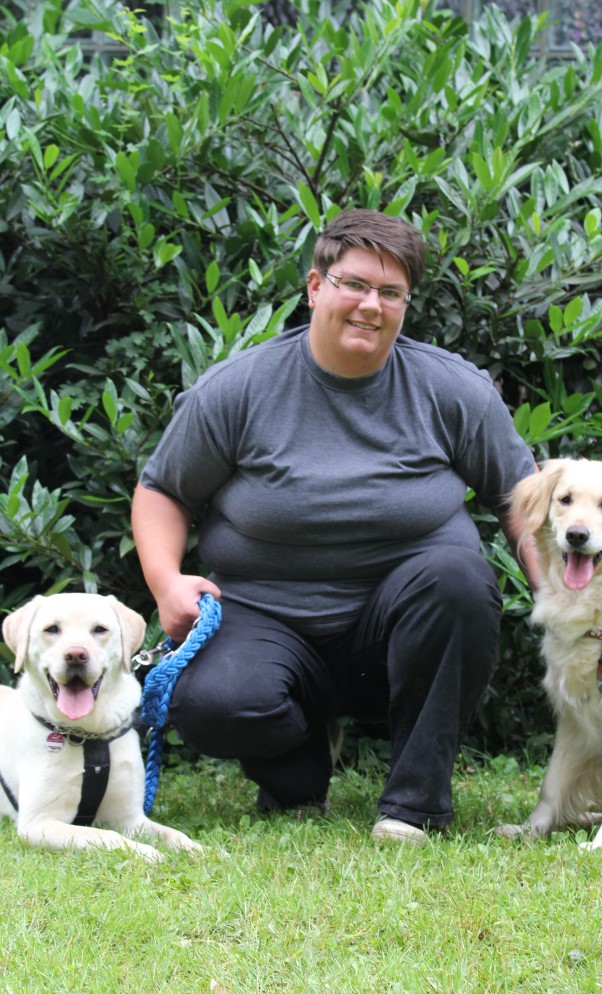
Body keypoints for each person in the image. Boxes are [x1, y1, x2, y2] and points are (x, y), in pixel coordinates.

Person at [131, 208, 538, 843]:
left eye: (391, 292)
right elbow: (163, 492)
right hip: (265, 616)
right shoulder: (238, 389)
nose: (370, 305)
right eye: (354, 284)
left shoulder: (453, 390)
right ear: (316, 287)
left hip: (397, 630)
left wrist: (566, 602)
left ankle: (414, 808)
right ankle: (297, 778)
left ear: (406, 303)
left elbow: (522, 500)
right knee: (212, 701)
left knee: (460, 579)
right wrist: (165, 583)